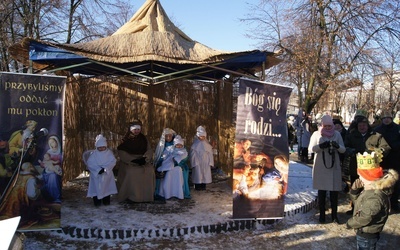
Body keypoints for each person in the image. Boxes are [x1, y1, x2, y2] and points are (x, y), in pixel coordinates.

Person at [346, 150, 398, 250]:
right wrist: (354, 191)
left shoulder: (374, 197)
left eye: (361, 176)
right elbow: (360, 204)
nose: (359, 178)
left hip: (367, 234)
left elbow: (365, 218)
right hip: (365, 232)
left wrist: (350, 223)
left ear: (368, 178)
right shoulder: (369, 190)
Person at [344, 115, 391, 213]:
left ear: (367, 125)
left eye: (364, 125)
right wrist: (352, 151)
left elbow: (386, 147)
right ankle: (355, 208)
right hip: (356, 167)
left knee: (369, 189)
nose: (362, 127)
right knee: (355, 187)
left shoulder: (376, 135)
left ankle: (369, 209)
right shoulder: (352, 135)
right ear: (357, 126)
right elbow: (345, 147)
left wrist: (378, 151)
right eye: (360, 125)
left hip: (371, 170)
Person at [308, 114, 346, 224]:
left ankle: (334, 215)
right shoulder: (316, 134)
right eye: (326, 126)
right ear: (322, 125)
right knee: (322, 192)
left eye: (330, 126)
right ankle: (322, 215)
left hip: (334, 166)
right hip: (321, 166)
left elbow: (343, 149)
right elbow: (311, 148)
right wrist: (320, 146)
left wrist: (337, 146)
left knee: (334, 192)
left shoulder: (337, 134)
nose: (328, 128)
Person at [116, 120, 154, 203]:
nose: (136, 131)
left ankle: (146, 197)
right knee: (132, 172)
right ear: (130, 130)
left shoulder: (144, 139)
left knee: (150, 170)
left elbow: (149, 150)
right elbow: (121, 152)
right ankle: (132, 196)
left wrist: (145, 158)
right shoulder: (125, 139)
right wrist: (133, 160)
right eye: (134, 129)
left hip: (143, 160)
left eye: (138, 129)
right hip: (129, 161)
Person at [373, 110, 400, 212]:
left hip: (396, 158)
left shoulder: (397, 128)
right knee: (382, 181)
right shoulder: (377, 129)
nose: (386, 120)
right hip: (383, 159)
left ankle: (394, 202)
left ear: (391, 118)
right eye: (384, 118)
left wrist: (395, 147)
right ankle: (383, 203)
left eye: (388, 118)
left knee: (396, 181)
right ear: (382, 119)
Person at [85, 134, 118, 206]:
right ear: (97, 147)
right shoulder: (94, 154)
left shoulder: (109, 153)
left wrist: (106, 168)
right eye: (100, 147)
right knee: (97, 188)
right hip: (96, 176)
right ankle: (97, 201)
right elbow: (90, 163)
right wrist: (97, 170)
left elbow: (113, 161)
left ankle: (106, 200)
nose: (102, 149)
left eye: (103, 147)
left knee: (106, 187)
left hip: (107, 175)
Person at [157, 135, 187, 200]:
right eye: (177, 145)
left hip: (178, 167)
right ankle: (168, 193)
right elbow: (165, 155)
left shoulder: (183, 151)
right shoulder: (170, 148)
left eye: (180, 145)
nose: (179, 146)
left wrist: (176, 160)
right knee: (168, 175)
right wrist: (166, 156)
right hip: (169, 165)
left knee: (178, 172)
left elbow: (183, 157)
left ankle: (177, 193)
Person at [154, 128, 176, 200]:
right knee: (159, 172)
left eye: (170, 136)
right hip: (163, 163)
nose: (168, 138)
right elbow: (159, 156)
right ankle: (158, 192)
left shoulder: (176, 144)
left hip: (174, 163)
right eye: (166, 136)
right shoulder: (162, 145)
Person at [190, 126, 214, 191]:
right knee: (198, 174)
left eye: (203, 136)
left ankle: (203, 186)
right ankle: (197, 186)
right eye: (201, 136)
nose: (202, 138)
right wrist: (194, 162)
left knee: (205, 174)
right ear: (198, 136)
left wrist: (210, 162)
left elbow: (210, 154)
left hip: (205, 161)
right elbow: (192, 154)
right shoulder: (194, 145)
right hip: (197, 161)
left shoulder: (207, 145)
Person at [41, 135, 62, 203]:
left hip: (59, 169)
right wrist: (46, 164)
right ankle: (54, 197)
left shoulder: (61, 151)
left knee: (55, 174)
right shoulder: (49, 152)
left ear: (56, 141)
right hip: (48, 172)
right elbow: (44, 163)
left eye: (53, 142)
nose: (52, 144)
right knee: (53, 176)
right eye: (50, 143)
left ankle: (57, 197)